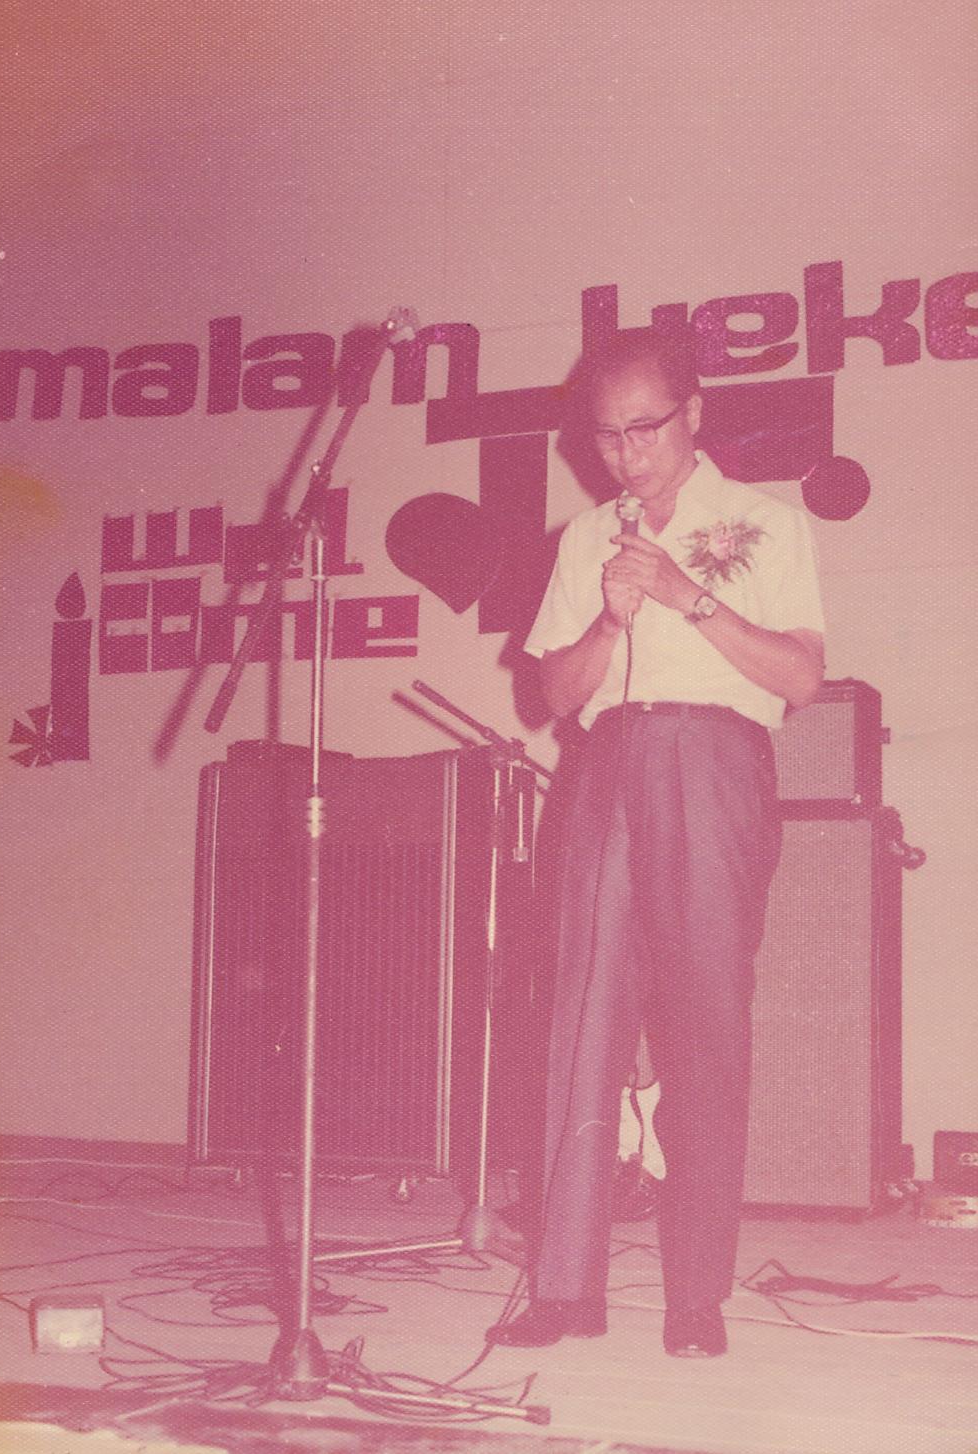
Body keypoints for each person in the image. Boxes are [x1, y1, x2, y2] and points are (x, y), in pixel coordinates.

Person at [487, 331, 825, 1357]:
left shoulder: (768, 523)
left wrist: (689, 596)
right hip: (604, 767)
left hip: (714, 763)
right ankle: (565, 1286)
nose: (626, 453)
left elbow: (800, 678)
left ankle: (695, 1296)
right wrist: (608, 619)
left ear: (694, 415)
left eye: (644, 428)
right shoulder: (585, 537)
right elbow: (551, 696)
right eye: (605, 436)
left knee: (704, 1028)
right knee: (581, 1019)